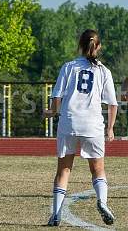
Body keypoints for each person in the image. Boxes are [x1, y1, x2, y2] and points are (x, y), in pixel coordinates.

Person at [43, 29, 118, 226]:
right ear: (98, 47)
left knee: (64, 170)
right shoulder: (104, 71)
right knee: (98, 170)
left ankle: (56, 215)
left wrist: (50, 113)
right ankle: (102, 201)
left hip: (69, 122)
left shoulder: (69, 67)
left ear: (80, 45)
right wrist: (110, 128)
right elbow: (112, 104)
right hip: (92, 125)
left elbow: (57, 98)